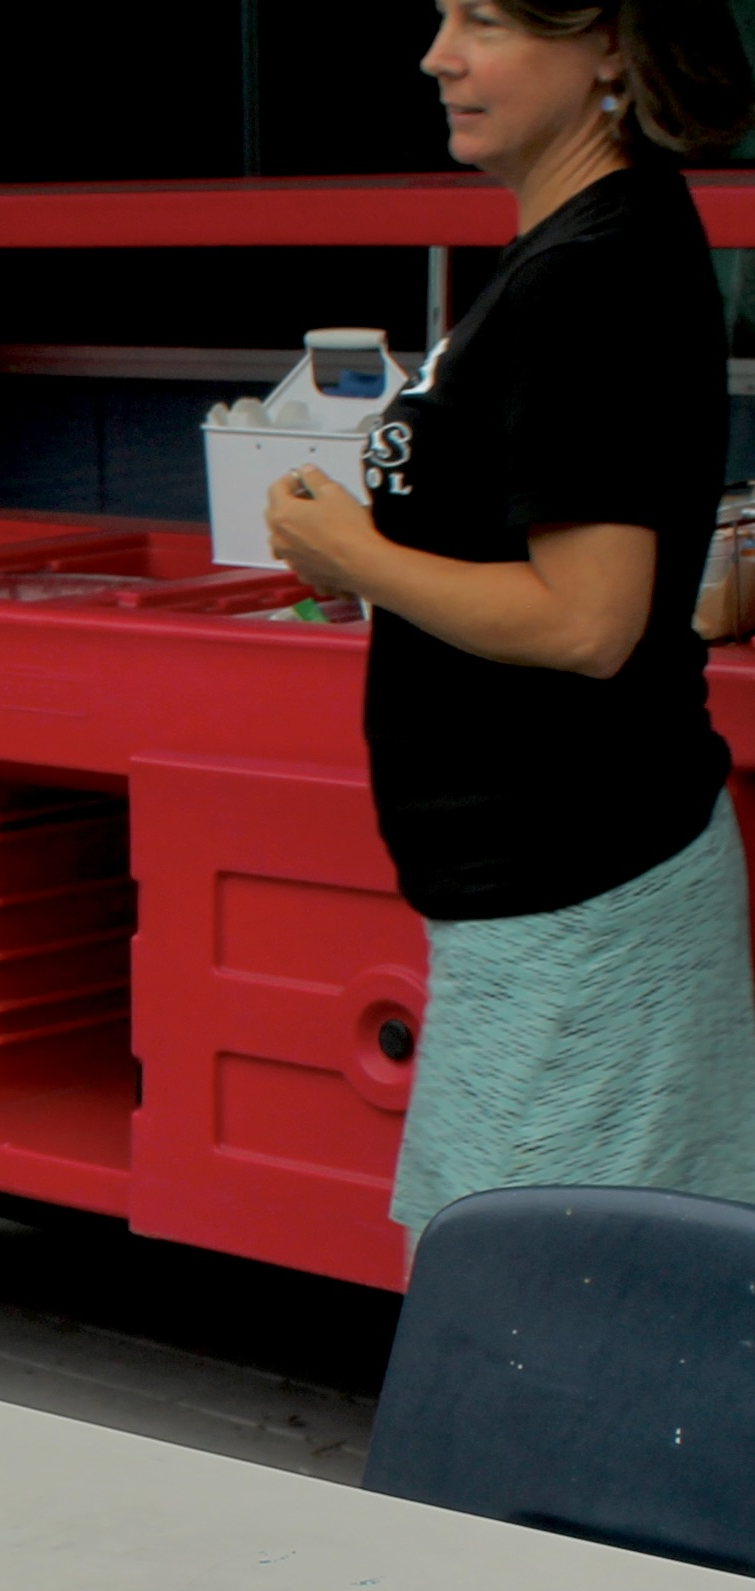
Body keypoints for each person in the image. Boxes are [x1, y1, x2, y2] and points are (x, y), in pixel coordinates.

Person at [267, 0, 755, 1241]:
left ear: (609, 44)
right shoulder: (579, 248)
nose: (437, 54)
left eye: (484, 19)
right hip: (542, 903)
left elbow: (588, 620)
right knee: (550, 1293)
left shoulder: (594, 273)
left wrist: (359, 552)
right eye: (438, 16)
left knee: (551, 1310)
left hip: (579, 899)